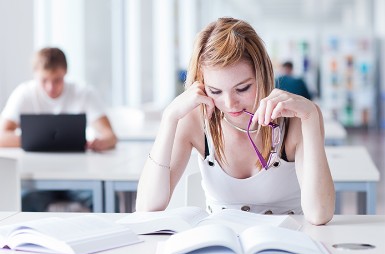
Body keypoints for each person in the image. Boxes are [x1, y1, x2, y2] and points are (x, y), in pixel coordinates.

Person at [136, 17, 335, 225]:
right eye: (215, 91)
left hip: (287, 246)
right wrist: (170, 118)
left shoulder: (297, 119)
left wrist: (311, 116)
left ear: (262, 75)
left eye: (243, 88)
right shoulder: (193, 121)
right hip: (221, 247)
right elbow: (147, 207)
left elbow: (319, 214)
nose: (230, 103)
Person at [0, 47, 117, 211]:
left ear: (65, 73)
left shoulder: (83, 93)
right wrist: (36, 139)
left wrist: (103, 142)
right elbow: (2, 136)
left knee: (108, 201)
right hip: (38, 179)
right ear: (35, 74)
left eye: (57, 80)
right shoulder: (23, 94)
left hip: (80, 177)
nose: (50, 87)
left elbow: (110, 136)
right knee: (24, 202)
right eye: (44, 80)